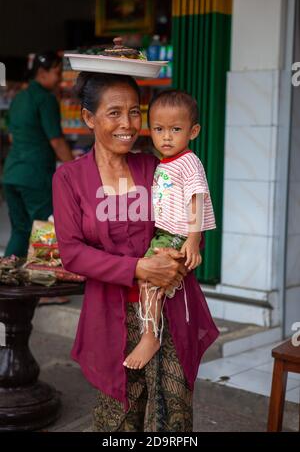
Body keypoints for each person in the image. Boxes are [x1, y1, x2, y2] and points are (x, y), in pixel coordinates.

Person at [52, 72, 219, 432]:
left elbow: (184, 221)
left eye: (134, 112)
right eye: (114, 113)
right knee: (120, 417)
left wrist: (177, 258)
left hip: (170, 308)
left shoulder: (154, 166)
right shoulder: (70, 178)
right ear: (88, 118)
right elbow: (72, 253)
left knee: (173, 413)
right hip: (111, 312)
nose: (127, 124)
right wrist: (140, 268)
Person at [124, 90, 216, 370]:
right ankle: (157, 316)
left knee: (149, 282)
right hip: (165, 233)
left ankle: (150, 336)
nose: (166, 137)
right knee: (149, 281)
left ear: (194, 131)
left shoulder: (189, 162)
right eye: (159, 129)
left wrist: (193, 238)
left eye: (175, 129)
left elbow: (197, 198)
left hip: (176, 234)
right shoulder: (166, 162)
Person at [2, 51, 73, 304]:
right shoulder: (45, 99)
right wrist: (75, 168)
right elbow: (56, 140)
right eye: (57, 71)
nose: (60, 77)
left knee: (21, 229)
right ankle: (42, 288)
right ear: (42, 73)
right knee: (43, 227)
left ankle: (5, 279)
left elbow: (11, 136)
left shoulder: (19, 97)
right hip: (34, 175)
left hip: (11, 173)